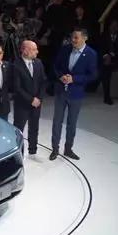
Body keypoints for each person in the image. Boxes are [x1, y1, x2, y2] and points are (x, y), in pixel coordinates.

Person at [50, 28, 98, 161]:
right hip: (61, 91)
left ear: (85, 38)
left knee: (72, 123)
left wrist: (74, 79)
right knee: (57, 121)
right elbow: (55, 66)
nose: (73, 40)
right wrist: (60, 76)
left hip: (76, 93)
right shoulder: (65, 49)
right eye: (72, 37)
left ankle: (68, 149)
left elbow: (93, 75)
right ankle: (55, 149)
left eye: (76, 37)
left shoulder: (91, 54)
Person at [13, 40, 46, 155]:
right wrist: (31, 100)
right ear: (25, 50)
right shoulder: (16, 65)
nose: (37, 52)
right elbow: (17, 87)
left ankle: (33, 150)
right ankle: (18, 151)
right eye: (34, 49)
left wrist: (39, 98)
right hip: (22, 104)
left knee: (34, 127)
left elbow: (43, 82)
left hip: (37, 103)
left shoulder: (38, 63)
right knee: (19, 129)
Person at [99, 19, 118, 104]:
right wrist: (106, 55)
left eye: (116, 26)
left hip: (117, 58)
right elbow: (100, 48)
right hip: (106, 58)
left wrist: (114, 55)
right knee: (105, 73)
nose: (114, 28)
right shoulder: (104, 35)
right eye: (112, 26)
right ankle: (107, 96)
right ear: (109, 26)